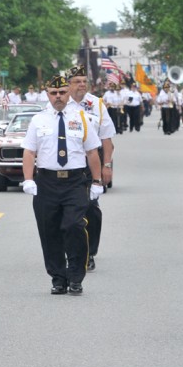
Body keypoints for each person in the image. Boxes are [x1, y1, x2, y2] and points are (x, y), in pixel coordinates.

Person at [21, 74, 103, 296]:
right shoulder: (38, 120)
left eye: (62, 92)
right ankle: (58, 278)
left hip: (75, 181)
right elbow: (29, 152)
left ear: (69, 93)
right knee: (50, 231)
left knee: (75, 226)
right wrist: (28, 179)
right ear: (47, 94)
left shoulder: (83, 118)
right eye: (54, 93)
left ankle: (76, 276)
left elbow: (92, 151)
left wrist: (96, 181)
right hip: (46, 181)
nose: (58, 97)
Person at [67, 66, 116, 271]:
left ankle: (89, 252)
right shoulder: (59, 104)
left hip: (90, 166)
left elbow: (107, 140)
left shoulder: (96, 104)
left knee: (90, 211)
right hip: (67, 165)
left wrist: (106, 166)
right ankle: (72, 251)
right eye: (77, 81)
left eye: (83, 81)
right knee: (68, 213)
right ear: (68, 84)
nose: (81, 84)